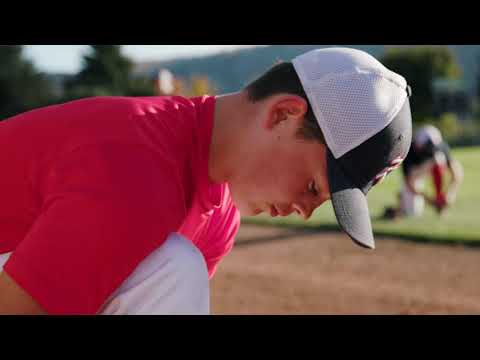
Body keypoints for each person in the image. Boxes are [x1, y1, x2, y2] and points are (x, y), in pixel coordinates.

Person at [0, 47, 412, 315]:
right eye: (311, 187)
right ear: (283, 114)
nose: (304, 211)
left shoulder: (219, 222)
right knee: (175, 267)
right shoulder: (137, 169)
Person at [383, 125, 463, 219]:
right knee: (412, 213)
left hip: (428, 171)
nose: (432, 150)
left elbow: (457, 172)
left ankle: (440, 200)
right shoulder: (409, 151)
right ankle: (400, 204)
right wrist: (429, 200)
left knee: (438, 161)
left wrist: (450, 194)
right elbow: (409, 182)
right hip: (415, 175)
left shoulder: (440, 147)